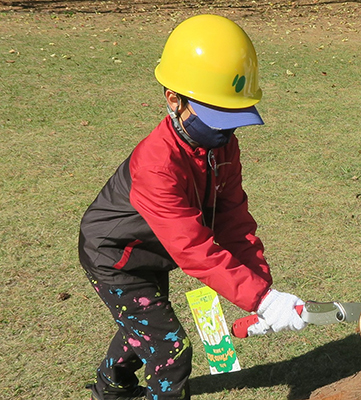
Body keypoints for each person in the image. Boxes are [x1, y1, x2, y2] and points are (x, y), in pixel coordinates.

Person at [79, 14, 306, 400]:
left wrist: (263, 291)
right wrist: (260, 298)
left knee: (142, 327)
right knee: (169, 348)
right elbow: (193, 248)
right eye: (218, 116)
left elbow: (232, 217)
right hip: (115, 257)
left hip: (153, 252)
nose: (226, 130)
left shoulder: (222, 145)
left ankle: (111, 388)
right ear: (174, 100)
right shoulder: (156, 164)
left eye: (234, 118)